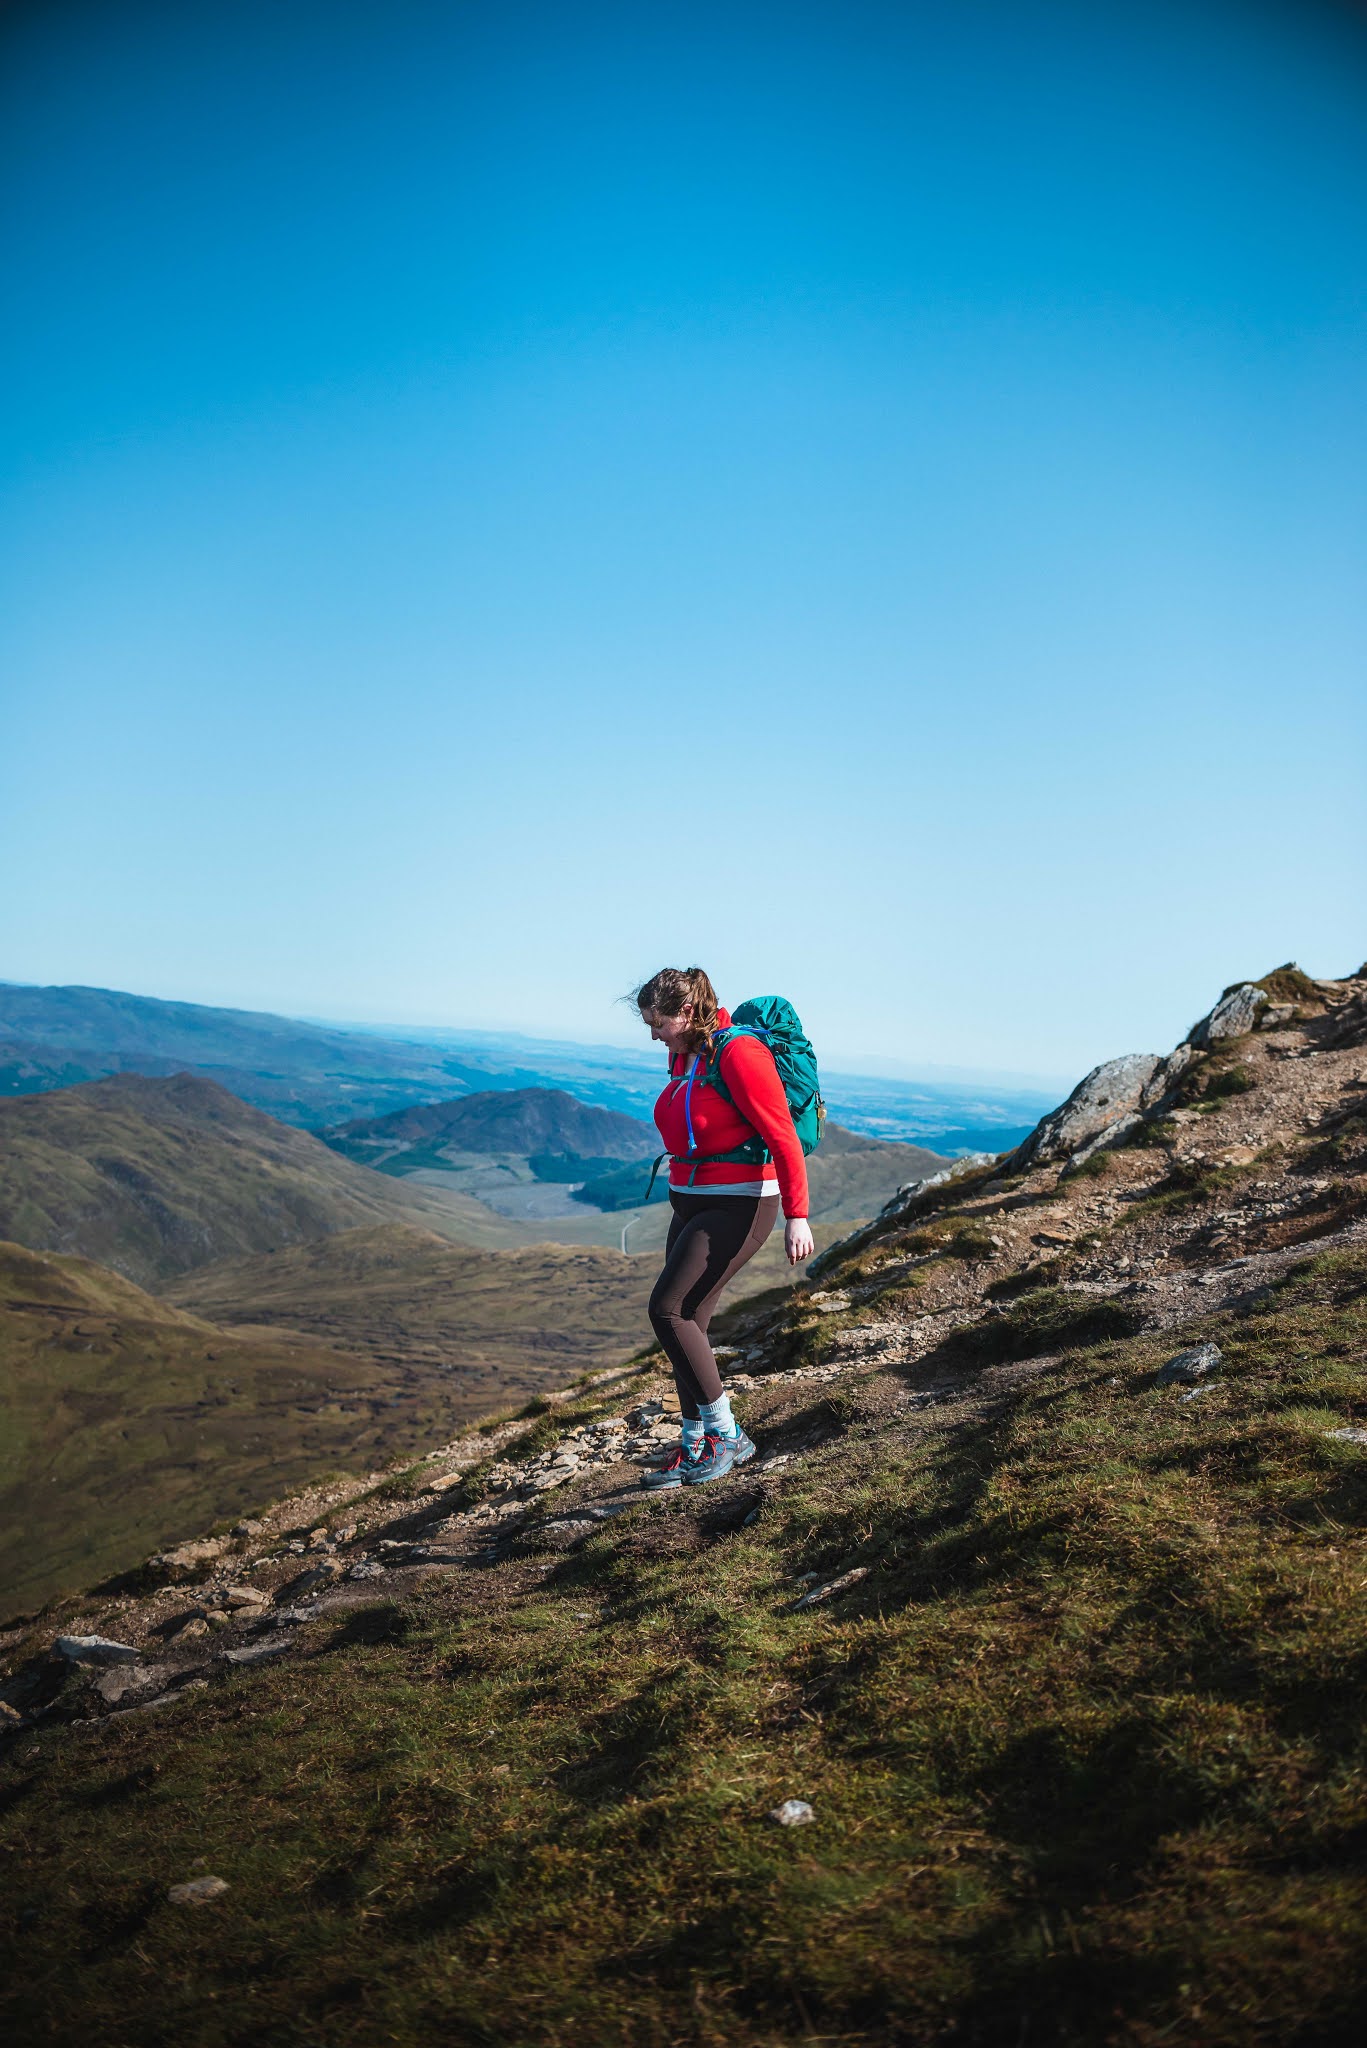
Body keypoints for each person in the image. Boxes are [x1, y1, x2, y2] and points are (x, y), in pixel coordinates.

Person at [634, 965, 815, 1488]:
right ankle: (696, 1444)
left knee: (667, 1309)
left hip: (740, 1203)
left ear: (687, 1013)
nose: (653, 1034)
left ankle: (728, 1433)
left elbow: (781, 1136)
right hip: (691, 1200)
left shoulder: (740, 1053)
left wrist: (796, 1217)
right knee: (688, 1319)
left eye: (658, 1023)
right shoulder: (685, 1052)